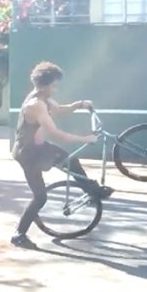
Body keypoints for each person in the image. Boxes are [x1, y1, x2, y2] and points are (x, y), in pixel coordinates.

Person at [10, 61, 113, 248]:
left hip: (38, 147)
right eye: (54, 85)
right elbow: (56, 132)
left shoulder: (43, 98)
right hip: (28, 154)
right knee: (40, 197)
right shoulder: (35, 104)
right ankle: (18, 235)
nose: (56, 89)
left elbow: (59, 110)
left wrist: (79, 104)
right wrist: (85, 139)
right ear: (46, 85)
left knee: (71, 161)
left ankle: (92, 190)